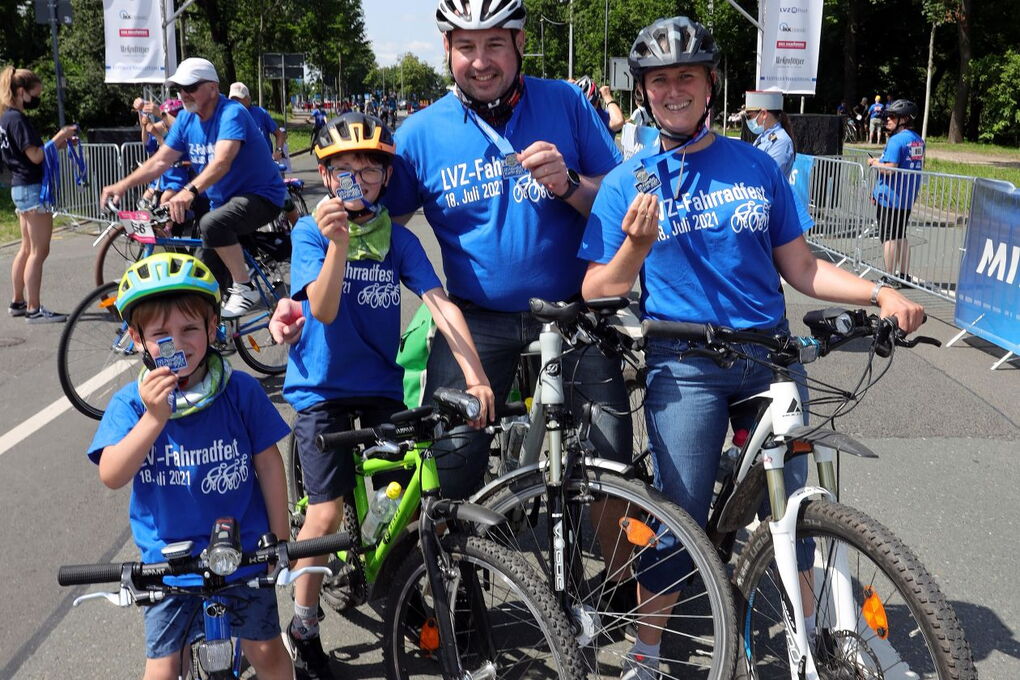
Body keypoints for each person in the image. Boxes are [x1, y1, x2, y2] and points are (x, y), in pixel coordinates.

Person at [578, 16, 925, 680]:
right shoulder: (631, 179)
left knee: (799, 503)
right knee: (681, 515)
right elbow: (598, 286)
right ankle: (646, 658)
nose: (673, 91)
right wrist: (637, 246)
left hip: (767, 357)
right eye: (659, 81)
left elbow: (801, 266)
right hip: (685, 366)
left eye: (686, 76)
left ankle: (816, 634)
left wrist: (878, 294)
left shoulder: (757, 165)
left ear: (711, 83)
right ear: (645, 93)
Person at [282, 112, 494, 679]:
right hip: (321, 389)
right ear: (327, 177)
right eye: (344, 168)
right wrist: (335, 246)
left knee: (396, 502)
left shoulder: (397, 239)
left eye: (369, 168)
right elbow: (321, 309)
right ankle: (303, 625)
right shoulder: (310, 231)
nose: (358, 177)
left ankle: (401, 592)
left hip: (379, 385)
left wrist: (475, 374)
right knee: (325, 510)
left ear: (383, 177)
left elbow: (438, 302)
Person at [87, 252, 293, 680]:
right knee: (163, 669)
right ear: (137, 338)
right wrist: (154, 419)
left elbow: (269, 465)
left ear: (212, 328)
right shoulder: (131, 404)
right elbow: (111, 473)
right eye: (161, 334)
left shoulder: (239, 391)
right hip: (168, 567)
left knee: (268, 654)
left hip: (244, 555)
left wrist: (280, 538)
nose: (178, 345)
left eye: (190, 330)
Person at [100, 57, 286, 319]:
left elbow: (222, 161)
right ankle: (213, 334)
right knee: (199, 281)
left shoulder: (231, 113)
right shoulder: (187, 119)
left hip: (262, 197)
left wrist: (189, 191)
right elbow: (161, 160)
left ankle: (245, 287)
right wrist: (121, 186)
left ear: (212, 88)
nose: (184, 94)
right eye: (179, 88)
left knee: (212, 223)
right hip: (222, 204)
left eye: (191, 87)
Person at [0, 66, 77, 323]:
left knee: (25, 248)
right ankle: (34, 308)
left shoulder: (5, 118)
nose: (37, 99)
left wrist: (58, 144)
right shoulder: (17, 119)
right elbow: (35, 156)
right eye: (35, 94)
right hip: (32, 189)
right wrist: (59, 137)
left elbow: (29, 153)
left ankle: (18, 301)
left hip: (19, 187)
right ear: (21, 92)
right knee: (38, 251)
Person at [868, 99, 925, 287]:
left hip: (890, 196)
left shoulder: (895, 140)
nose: (887, 120)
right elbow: (903, 162)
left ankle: (889, 276)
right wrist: (881, 160)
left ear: (904, 119)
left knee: (889, 237)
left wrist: (875, 164)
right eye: (886, 116)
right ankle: (905, 276)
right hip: (907, 196)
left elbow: (890, 169)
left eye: (892, 116)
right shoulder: (917, 140)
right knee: (901, 235)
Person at [228, 81, 287, 161]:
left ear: (248, 99)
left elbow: (279, 134)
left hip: (264, 164)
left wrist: (278, 151)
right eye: (233, 99)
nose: (235, 103)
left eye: (239, 99)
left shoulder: (260, 113)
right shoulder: (228, 118)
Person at [744, 90, 796, 178]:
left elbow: (768, 175)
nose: (748, 121)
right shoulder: (763, 137)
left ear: (763, 114)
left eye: (749, 116)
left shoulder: (781, 141)